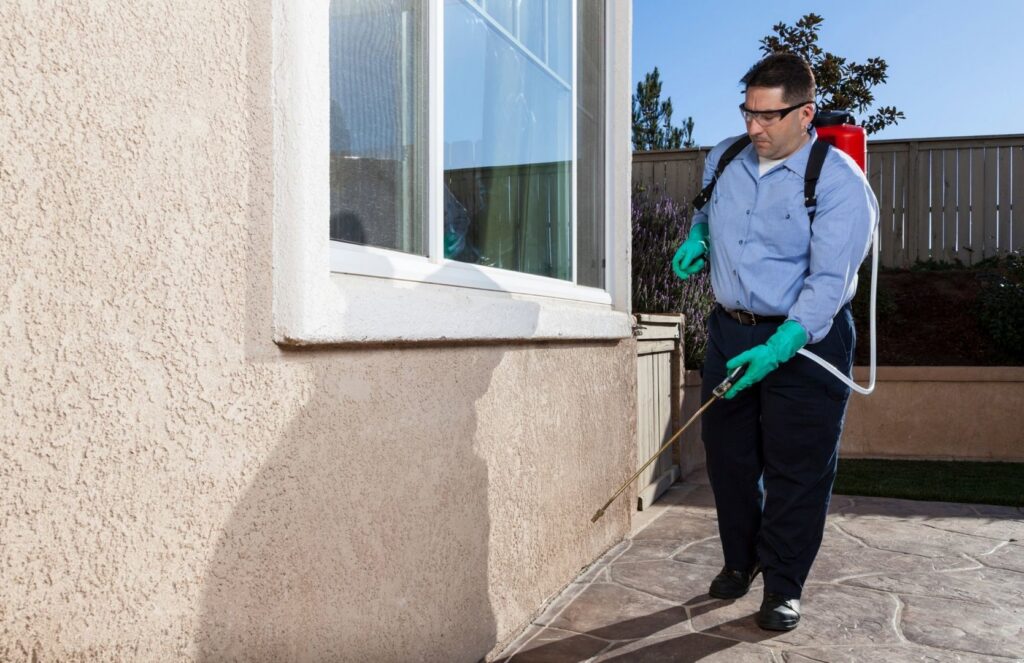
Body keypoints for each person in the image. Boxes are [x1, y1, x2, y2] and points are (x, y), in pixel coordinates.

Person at [672, 53, 877, 631]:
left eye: (768, 116)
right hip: (731, 331)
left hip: (806, 343)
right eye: (747, 113)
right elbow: (708, 215)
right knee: (730, 460)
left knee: (797, 469)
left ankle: (783, 586)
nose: (753, 127)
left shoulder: (840, 183)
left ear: (806, 114)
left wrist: (779, 347)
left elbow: (827, 284)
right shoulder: (726, 157)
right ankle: (743, 560)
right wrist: (698, 239)